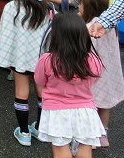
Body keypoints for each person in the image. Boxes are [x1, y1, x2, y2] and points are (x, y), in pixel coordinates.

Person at [0, 0, 52, 146]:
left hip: (20, 57)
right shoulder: (47, 7)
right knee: (42, 92)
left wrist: (6, 59)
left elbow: (6, 34)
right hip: (42, 58)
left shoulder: (13, 6)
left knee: (21, 91)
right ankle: (40, 128)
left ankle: (24, 132)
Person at [34, 12, 105, 156]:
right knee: (84, 148)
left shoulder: (47, 59)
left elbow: (39, 81)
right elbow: (95, 79)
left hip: (56, 110)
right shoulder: (94, 60)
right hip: (86, 110)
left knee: (61, 149)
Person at [78, 0, 124, 148]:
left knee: (90, 106)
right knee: (104, 105)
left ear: (88, 8)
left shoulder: (90, 27)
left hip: (93, 75)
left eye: (80, 4)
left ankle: (91, 138)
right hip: (109, 73)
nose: (79, 7)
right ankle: (103, 136)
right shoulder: (110, 26)